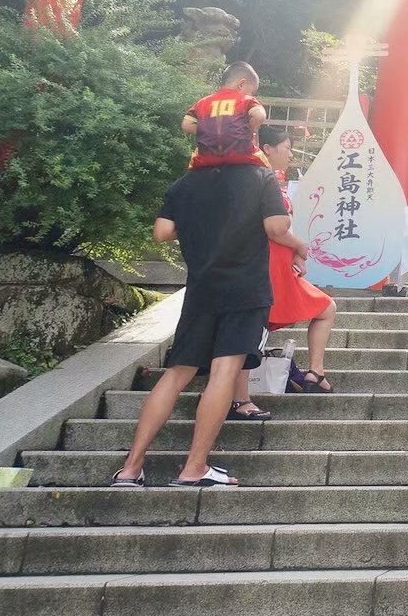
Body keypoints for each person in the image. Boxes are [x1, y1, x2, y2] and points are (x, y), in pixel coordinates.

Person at [111, 160, 293, 488]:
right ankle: (194, 466)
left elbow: (162, 232)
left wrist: (202, 226)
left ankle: (130, 468)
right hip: (245, 289)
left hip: (201, 291)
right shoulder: (260, 176)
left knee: (176, 373)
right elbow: (277, 227)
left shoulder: (186, 182)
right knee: (224, 371)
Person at [227, 127, 338, 420]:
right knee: (252, 330)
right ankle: (239, 400)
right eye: (286, 147)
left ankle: (315, 371)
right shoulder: (259, 179)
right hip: (263, 265)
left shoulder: (267, 179)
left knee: (325, 307)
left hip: (276, 264)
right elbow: (274, 229)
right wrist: (300, 247)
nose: (290, 154)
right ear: (267, 147)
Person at [182, 61, 268, 169]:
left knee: (196, 156)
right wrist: (247, 128)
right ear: (241, 84)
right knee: (266, 169)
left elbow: (186, 124)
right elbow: (260, 115)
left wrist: (208, 129)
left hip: (206, 159)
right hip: (240, 156)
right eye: (252, 92)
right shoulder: (246, 100)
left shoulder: (203, 102)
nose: (252, 95)